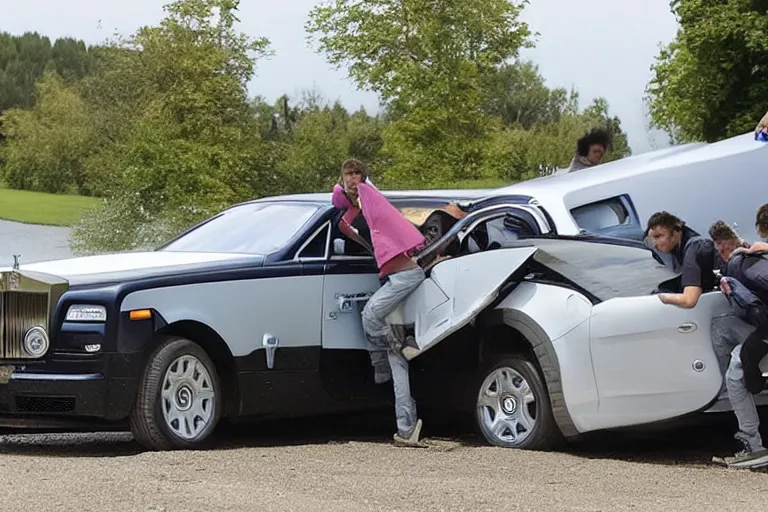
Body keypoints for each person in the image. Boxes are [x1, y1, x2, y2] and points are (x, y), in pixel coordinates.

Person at [331, 158, 428, 447]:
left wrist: (355, 194)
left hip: (407, 277)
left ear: (364, 176)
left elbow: (366, 205)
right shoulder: (355, 206)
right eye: (349, 173)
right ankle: (406, 428)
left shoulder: (371, 199)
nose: (353, 178)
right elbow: (343, 209)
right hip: (391, 281)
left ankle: (382, 364)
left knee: (370, 315)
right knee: (398, 361)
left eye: (357, 173)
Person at [644, 211, 718, 308]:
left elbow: (689, 300)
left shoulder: (695, 247)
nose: (654, 243)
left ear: (675, 233)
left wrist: (658, 298)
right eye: (652, 238)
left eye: (659, 236)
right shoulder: (678, 250)